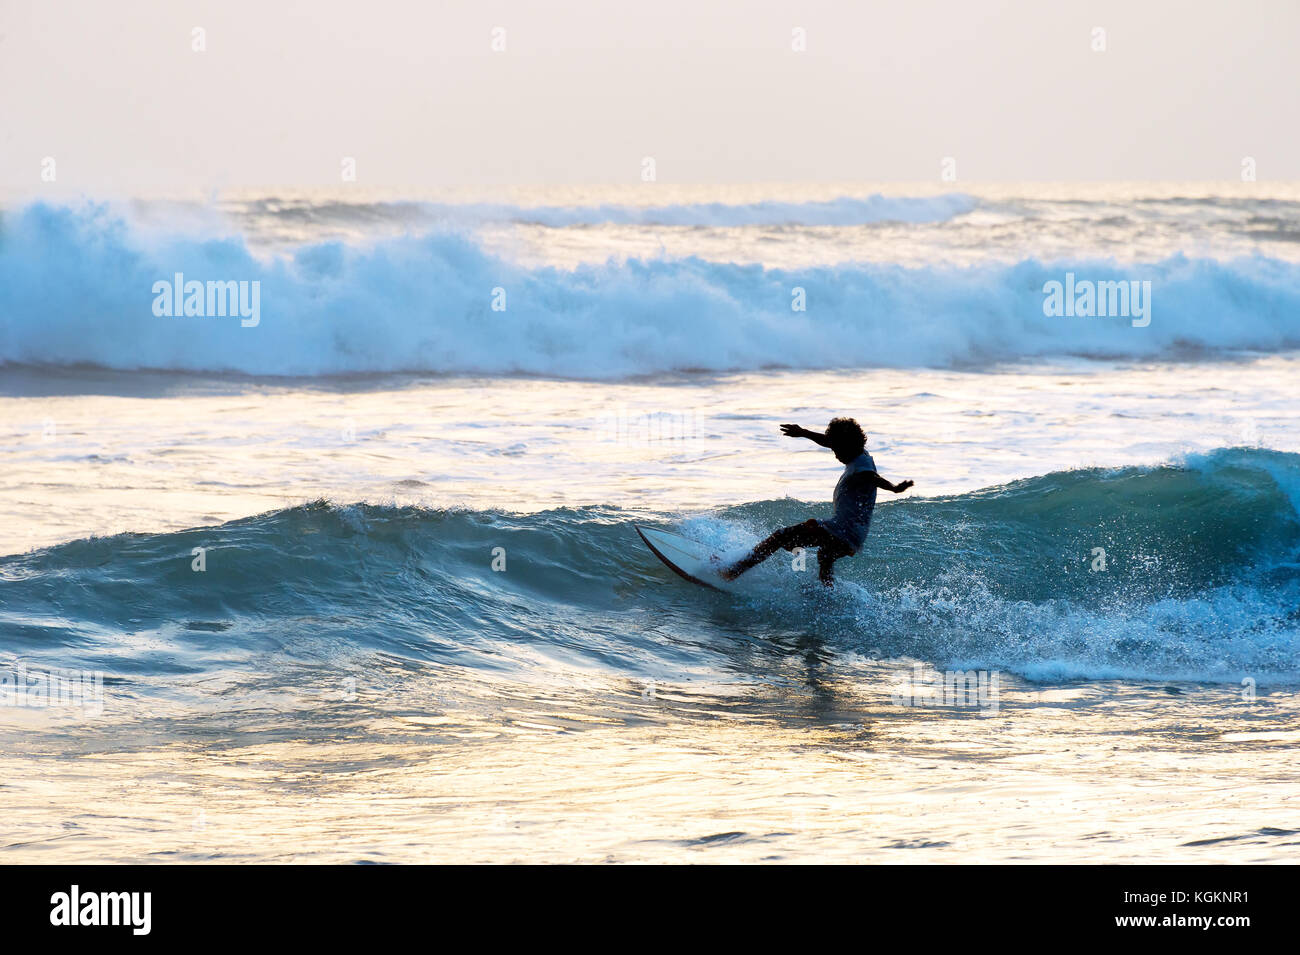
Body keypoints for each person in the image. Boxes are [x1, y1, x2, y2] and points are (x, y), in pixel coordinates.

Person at [720, 417, 914, 587]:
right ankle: (826, 595)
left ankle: (732, 572)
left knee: (780, 537)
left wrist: (894, 488)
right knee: (825, 557)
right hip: (854, 536)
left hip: (841, 531)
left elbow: (872, 478)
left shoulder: (861, 469)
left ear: (847, 447)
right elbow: (829, 441)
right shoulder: (859, 452)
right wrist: (803, 432)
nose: (834, 452)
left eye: (837, 449)